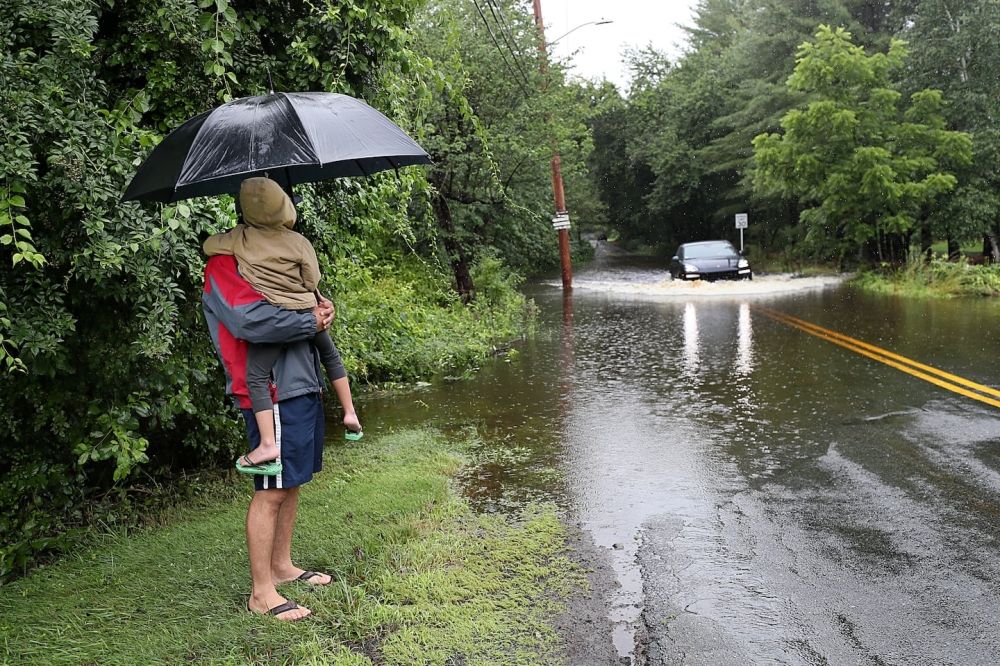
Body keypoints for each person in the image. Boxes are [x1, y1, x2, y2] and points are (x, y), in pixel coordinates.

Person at [201, 183, 345, 621]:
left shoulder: (274, 255)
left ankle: (281, 567)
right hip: (270, 392)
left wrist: (320, 309)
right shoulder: (225, 264)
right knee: (271, 488)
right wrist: (309, 318)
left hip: (299, 383)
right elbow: (250, 321)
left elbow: (301, 305)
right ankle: (261, 592)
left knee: (291, 481)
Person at [203, 177, 361, 475]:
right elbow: (250, 320)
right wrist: (312, 310)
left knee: (257, 375)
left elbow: (210, 244)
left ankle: (268, 443)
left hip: (297, 364)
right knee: (330, 356)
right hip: (286, 369)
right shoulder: (295, 243)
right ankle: (349, 412)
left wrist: (319, 309)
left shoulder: (239, 241)